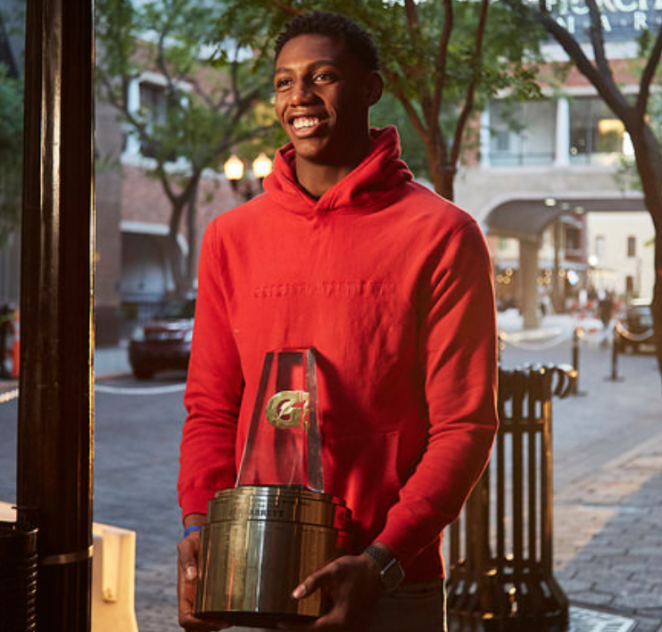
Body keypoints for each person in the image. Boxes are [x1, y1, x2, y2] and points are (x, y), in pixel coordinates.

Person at [176, 12, 498, 632]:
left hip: (385, 579)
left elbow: (464, 425)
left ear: (371, 89)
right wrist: (199, 528)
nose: (300, 96)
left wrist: (381, 559)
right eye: (284, 82)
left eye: (322, 77)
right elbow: (211, 407)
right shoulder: (231, 238)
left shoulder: (442, 236)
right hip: (249, 568)